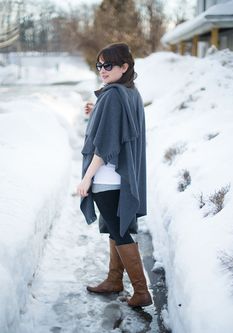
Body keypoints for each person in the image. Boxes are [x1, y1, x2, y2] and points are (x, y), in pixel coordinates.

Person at [76, 42, 152, 308]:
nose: (102, 70)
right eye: (99, 65)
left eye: (108, 65)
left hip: (106, 178)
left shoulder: (112, 95)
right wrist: (96, 111)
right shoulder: (130, 92)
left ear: (124, 66)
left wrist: (87, 178)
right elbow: (119, 126)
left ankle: (141, 291)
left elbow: (106, 145)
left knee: (120, 233)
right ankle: (114, 280)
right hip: (121, 177)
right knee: (116, 228)